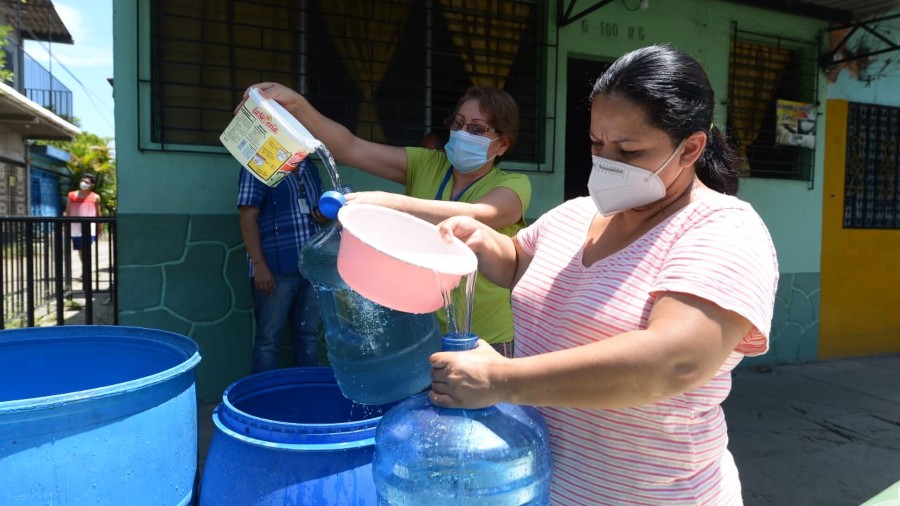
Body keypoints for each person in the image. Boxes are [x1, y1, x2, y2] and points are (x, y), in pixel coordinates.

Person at [429, 44, 779, 504]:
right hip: (548, 489)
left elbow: (677, 359)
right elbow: (519, 265)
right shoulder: (578, 214)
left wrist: (502, 379)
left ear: (690, 148)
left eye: (629, 149)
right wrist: (479, 239)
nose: (607, 161)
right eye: (597, 144)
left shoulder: (721, 228)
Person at [241, 83, 532, 357]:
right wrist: (295, 103)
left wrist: (390, 204)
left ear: (502, 144)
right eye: (458, 124)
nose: (463, 133)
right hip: (420, 331)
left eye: (477, 129)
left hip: (484, 338)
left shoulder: (514, 185)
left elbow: (481, 215)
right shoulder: (427, 164)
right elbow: (350, 147)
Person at [238, 157, 327, 372]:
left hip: (310, 269)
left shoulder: (310, 167)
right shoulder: (258, 164)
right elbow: (247, 215)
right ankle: (261, 403)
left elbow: (318, 214)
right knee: (267, 341)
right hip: (274, 269)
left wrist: (324, 213)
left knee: (307, 338)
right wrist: (259, 265)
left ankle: (305, 396)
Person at [63, 173, 102, 264]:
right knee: (80, 248)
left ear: (91, 185)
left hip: (90, 227)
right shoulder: (71, 195)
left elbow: (98, 213)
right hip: (75, 227)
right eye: (82, 181)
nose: (83, 183)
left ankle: (86, 268)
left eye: (86, 182)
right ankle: (85, 267)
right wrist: (64, 221)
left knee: (87, 246)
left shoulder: (96, 197)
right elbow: (67, 210)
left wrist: (100, 226)